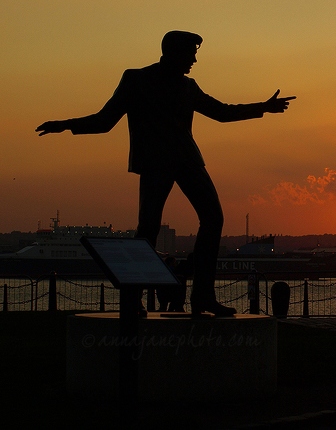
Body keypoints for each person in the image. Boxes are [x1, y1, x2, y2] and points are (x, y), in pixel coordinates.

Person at [36, 30, 295, 316]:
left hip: (188, 160)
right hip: (155, 163)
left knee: (212, 218)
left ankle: (203, 297)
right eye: (191, 53)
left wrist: (263, 107)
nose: (195, 60)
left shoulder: (188, 86)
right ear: (174, 52)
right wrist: (65, 125)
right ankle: (133, 299)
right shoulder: (135, 79)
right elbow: (104, 120)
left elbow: (221, 112)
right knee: (147, 228)